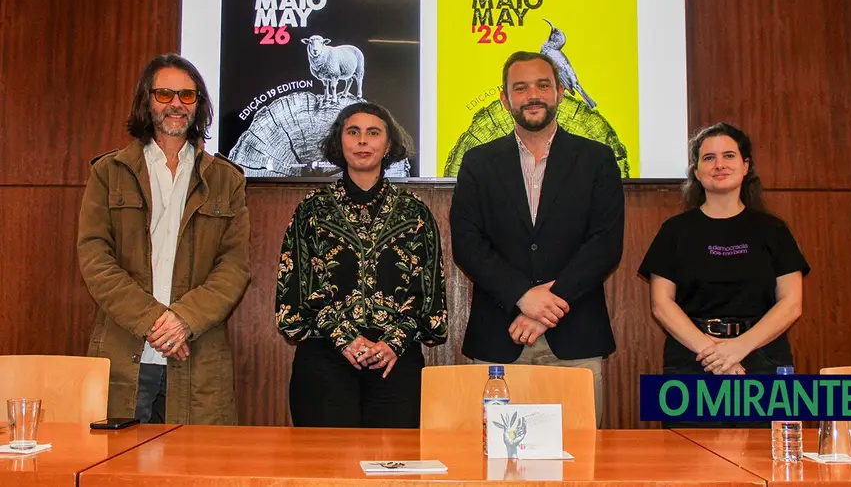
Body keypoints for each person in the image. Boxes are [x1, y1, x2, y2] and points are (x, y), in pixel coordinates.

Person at [449, 51, 625, 426]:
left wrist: (546, 306)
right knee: (496, 454)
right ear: (505, 99)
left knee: (580, 456)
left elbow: (605, 244)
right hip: (499, 340)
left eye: (543, 85)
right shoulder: (478, 162)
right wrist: (523, 296)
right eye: (521, 87)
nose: (533, 95)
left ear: (560, 92)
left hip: (577, 340)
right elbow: (468, 243)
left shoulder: (597, 158)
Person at [77, 53, 251, 424]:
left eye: (187, 95)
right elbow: (95, 259)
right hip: (125, 352)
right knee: (116, 461)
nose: (176, 104)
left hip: (196, 354)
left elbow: (234, 266)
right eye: (164, 94)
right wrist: (157, 321)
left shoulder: (226, 179)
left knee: (199, 460)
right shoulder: (109, 172)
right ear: (147, 100)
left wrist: (184, 320)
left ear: (198, 105)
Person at [276, 102, 448, 428]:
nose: (362, 141)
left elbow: (428, 295)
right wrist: (344, 338)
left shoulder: (415, 213)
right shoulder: (312, 210)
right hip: (324, 358)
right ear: (339, 141)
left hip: (395, 360)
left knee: (395, 459)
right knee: (325, 460)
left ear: (389, 144)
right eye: (353, 132)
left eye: (373, 132)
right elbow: (295, 290)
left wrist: (393, 342)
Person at [638, 122, 810, 428]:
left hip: (763, 359)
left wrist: (738, 348)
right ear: (696, 171)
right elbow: (661, 304)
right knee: (688, 455)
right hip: (693, 359)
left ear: (746, 166)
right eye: (709, 158)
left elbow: (791, 303)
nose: (719, 164)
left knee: (766, 454)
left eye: (729, 156)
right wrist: (715, 354)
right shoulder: (674, 231)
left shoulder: (774, 230)